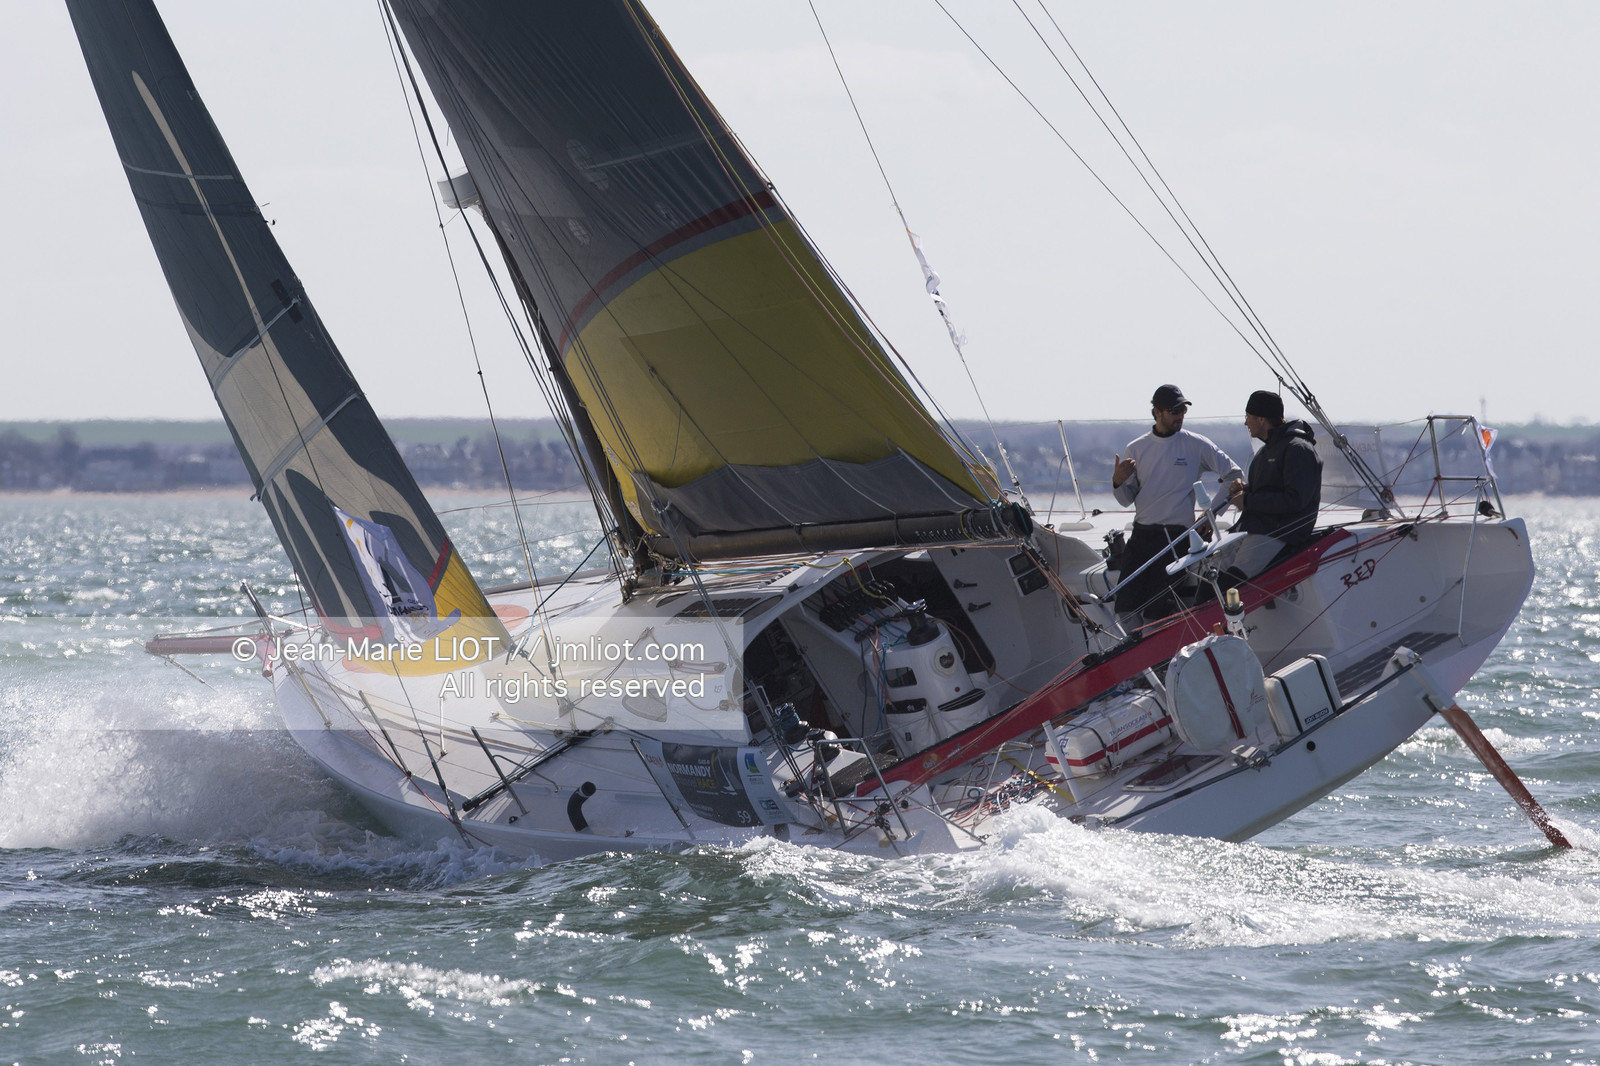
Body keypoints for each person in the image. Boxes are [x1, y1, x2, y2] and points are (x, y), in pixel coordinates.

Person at [1111, 384, 1242, 622]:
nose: (1180, 415)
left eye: (1183, 410)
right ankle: (1141, 656)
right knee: (1124, 608)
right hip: (1141, 535)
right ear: (1156, 413)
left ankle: (1158, 657)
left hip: (1176, 537)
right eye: (1174, 410)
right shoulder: (1136, 448)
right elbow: (1125, 500)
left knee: (1157, 612)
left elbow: (1234, 474)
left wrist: (1211, 514)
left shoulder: (1195, 444)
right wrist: (1117, 481)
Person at [1222, 389, 1323, 580]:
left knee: (1228, 583)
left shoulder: (1298, 449)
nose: (1245, 422)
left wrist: (1249, 501)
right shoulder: (1265, 452)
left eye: (1248, 416)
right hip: (1255, 529)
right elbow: (1269, 490)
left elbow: (1296, 499)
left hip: (1278, 534)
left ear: (1261, 419)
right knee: (1210, 578)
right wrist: (1246, 489)